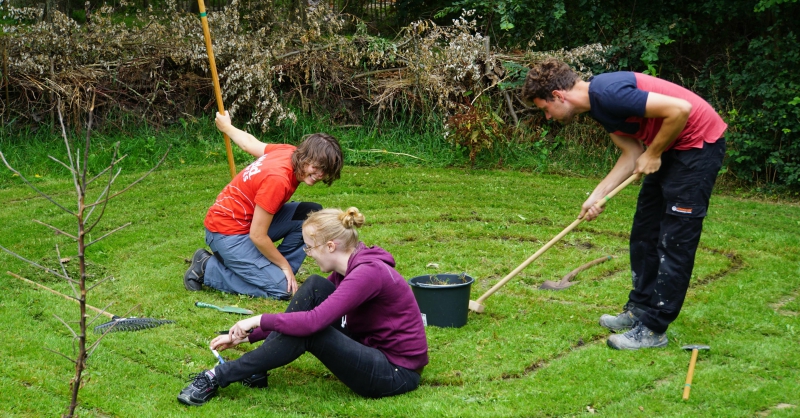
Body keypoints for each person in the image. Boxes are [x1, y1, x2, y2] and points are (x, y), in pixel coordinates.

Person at [521, 59, 727, 350]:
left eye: (545, 108)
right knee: (645, 232)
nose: (547, 117)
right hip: (669, 146)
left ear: (558, 95)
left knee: (675, 240)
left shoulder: (608, 93)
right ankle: (639, 309)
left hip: (697, 146)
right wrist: (597, 194)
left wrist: (654, 152)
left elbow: (680, 110)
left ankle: (654, 330)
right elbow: (632, 153)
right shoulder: (597, 108)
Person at [177, 207, 429, 406]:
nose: (308, 253)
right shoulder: (351, 267)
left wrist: (257, 320)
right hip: (372, 349)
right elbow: (305, 314)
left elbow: (312, 322)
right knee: (314, 287)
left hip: (395, 373)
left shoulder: (367, 273)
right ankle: (256, 368)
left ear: (331, 246)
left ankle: (217, 376)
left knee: (312, 332)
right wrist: (250, 336)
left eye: (310, 247)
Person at [183, 111, 343, 299]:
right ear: (305, 157)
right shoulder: (278, 180)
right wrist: (283, 264)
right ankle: (207, 268)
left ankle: (273, 271)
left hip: (245, 223)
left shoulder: (289, 152)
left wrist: (227, 127)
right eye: (316, 167)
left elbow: (249, 143)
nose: (320, 175)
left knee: (310, 215)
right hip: (226, 234)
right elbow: (258, 235)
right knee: (283, 290)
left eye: (325, 171)